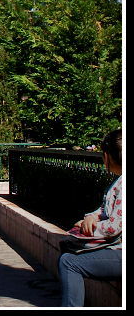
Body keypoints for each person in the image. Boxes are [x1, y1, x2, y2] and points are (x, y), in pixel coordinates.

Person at [58, 129, 122, 307]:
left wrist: (89, 228)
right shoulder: (118, 183)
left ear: (107, 156)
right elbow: (104, 209)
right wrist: (90, 217)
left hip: (120, 252)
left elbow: (114, 227)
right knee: (67, 250)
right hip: (116, 249)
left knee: (69, 262)